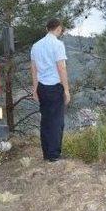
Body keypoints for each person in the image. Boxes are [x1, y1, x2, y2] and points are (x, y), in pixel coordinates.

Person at [30, 18, 71, 162]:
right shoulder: (58, 45)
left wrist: (35, 89)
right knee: (57, 122)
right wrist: (66, 90)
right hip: (54, 87)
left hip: (41, 87)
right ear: (58, 28)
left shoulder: (36, 45)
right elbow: (61, 68)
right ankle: (54, 155)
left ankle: (47, 153)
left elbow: (34, 69)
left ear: (47, 28)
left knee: (46, 121)